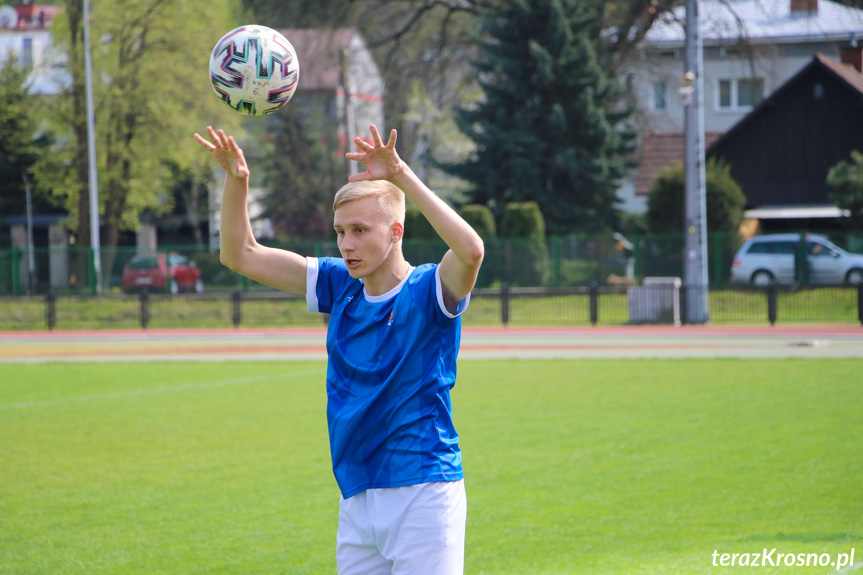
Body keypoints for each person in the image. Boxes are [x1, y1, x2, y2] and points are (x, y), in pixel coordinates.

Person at [193, 124, 484, 575]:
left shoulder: (429, 289)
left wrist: (401, 174)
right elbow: (241, 255)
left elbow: (470, 250)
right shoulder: (338, 284)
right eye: (340, 231)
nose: (347, 244)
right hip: (355, 494)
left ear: (395, 232)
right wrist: (237, 179)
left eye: (360, 230)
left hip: (422, 490)